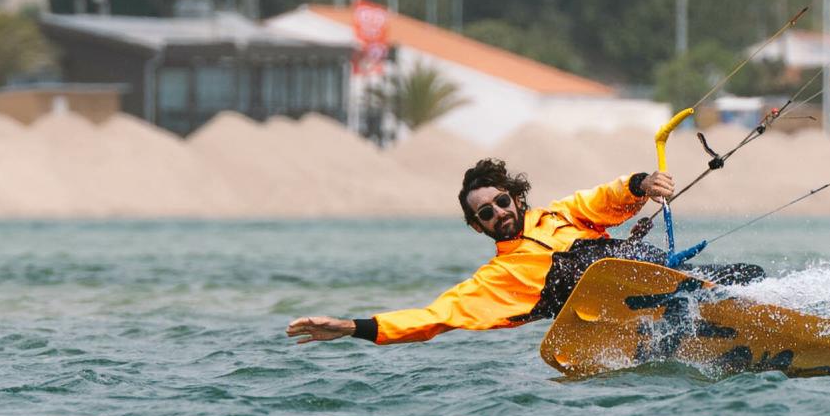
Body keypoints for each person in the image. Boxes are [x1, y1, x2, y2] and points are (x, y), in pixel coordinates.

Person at [286, 154, 762, 347]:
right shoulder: (497, 280)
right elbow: (434, 317)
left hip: (667, 278)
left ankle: (780, 313)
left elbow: (605, 198)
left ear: (515, 197)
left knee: (752, 274)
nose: (497, 213)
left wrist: (642, 182)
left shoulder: (559, 215)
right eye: (485, 213)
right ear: (478, 226)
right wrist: (352, 327)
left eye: (500, 201)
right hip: (624, 310)